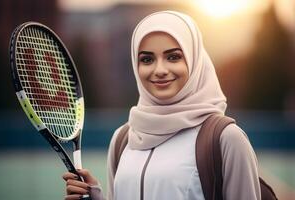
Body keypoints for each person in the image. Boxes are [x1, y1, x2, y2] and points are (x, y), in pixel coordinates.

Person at [62, 10, 261, 200]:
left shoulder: (226, 139)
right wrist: (93, 196)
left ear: (194, 61)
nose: (160, 70)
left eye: (173, 57)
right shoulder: (122, 139)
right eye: (147, 59)